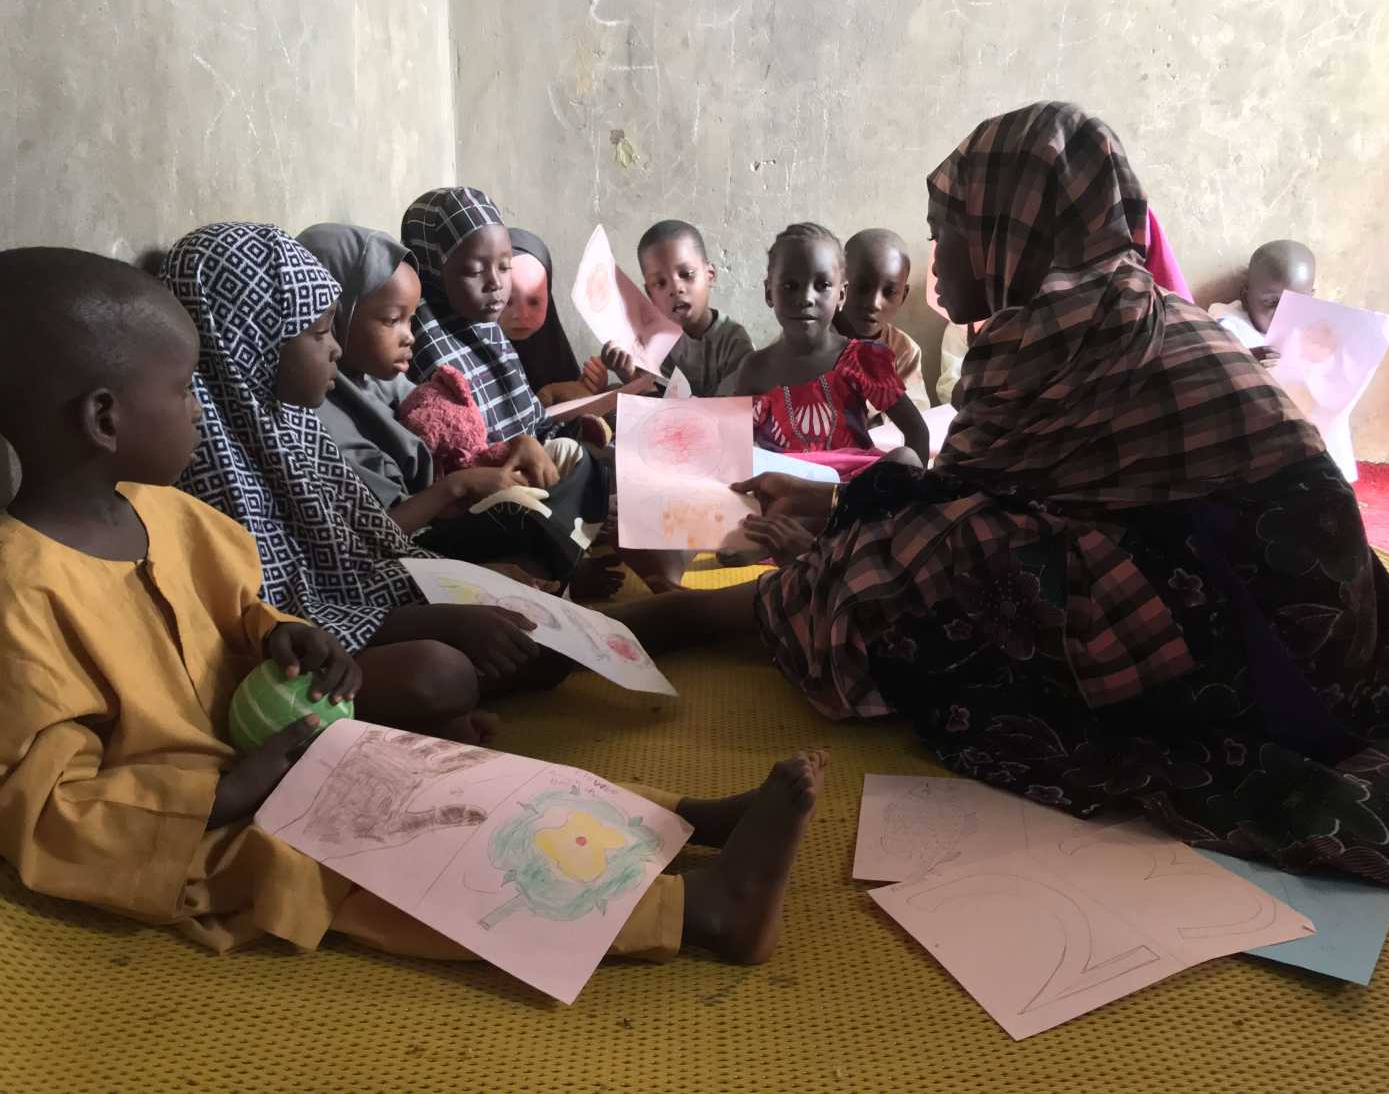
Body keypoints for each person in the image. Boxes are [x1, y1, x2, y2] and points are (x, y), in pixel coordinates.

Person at [612, 103, 1389, 900]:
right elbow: (987, 490)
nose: (935, 262)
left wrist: (828, 537)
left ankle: (708, 621)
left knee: (911, 574)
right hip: (1328, 635)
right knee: (922, 536)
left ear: (1012, 233)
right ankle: (733, 607)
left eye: (947, 233)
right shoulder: (1126, 305)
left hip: (1259, 644)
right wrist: (834, 510)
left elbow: (951, 522)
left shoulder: (1052, 334)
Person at [0, 245, 828, 968]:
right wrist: (221, 796)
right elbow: (44, 807)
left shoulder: (179, 519)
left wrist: (292, 637)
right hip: (192, 831)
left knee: (452, 778)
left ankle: (670, 821)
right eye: (182, 388)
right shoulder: (19, 591)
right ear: (104, 419)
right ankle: (696, 914)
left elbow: (244, 614)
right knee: (403, 854)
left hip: (277, 753)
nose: (197, 402)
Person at [163, 223, 561, 732]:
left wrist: (460, 597)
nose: (334, 349)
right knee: (442, 672)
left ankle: (645, 627)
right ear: (249, 340)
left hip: (353, 622)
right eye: (319, 332)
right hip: (289, 666)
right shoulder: (206, 469)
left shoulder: (295, 427)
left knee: (507, 610)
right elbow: (281, 625)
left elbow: (361, 560)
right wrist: (446, 615)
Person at [297, 222, 619, 592]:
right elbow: (373, 538)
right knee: (523, 512)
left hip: (449, 511)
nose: (410, 335)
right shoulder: (320, 415)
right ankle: (556, 568)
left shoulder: (383, 380)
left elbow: (458, 444)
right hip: (415, 543)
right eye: (392, 320)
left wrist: (514, 446)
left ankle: (557, 563)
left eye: (410, 318)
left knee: (567, 457)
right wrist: (459, 486)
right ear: (337, 318)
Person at [729, 223, 928, 472]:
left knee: (905, 458)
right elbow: (733, 447)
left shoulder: (860, 359)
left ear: (841, 295)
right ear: (769, 292)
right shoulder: (755, 368)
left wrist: (914, 492)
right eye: (790, 286)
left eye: (822, 285)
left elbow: (917, 431)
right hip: (782, 489)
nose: (806, 298)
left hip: (853, 492)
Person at [634, 219, 753, 396]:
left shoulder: (733, 341)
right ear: (650, 294)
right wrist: (628, 374)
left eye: (687, 274)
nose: (676, 289)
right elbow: (653, 403)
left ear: (710, 275)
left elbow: (732, 412)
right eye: (660, 283)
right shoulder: (653, 343)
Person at [502, 227, 612, 406]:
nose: (522, 315)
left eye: (534, 301)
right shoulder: (473, 357)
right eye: (507, 301)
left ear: (548, 298)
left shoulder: (552, 347)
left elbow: (571, 404)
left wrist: (590, 386)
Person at [835, 228, 930, 413]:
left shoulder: (904, 351)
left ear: (903, 296)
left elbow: (918, 417)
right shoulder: (807, 338)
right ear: (840, 284)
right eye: (861, 287)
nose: (874, 304)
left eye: (889, 292)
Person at [1208, 239, 1317, 366]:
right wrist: (1246, 362)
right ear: (1245, 297)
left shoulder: (1316, 330)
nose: (1284, 313)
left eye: (1297, 303)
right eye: (1272, 302)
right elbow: (1217, 363)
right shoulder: (1228, 323)